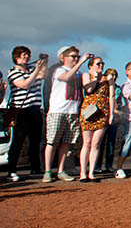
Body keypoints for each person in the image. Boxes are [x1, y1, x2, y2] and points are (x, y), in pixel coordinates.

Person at [43, 45, 89, 183]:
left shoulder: (79, 74)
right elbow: (66, 77)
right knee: (52, 141)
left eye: (77, 56)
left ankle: (61, 170)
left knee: (66, 143)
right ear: (65, 58)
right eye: (73, 57)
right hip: (58, 111)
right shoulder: (58, 70)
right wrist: (81, 62)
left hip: (73, 111)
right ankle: (47, 171)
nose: (76, 59)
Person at [6, 47, 47, 181]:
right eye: (23, 55)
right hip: (21, 110)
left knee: (35, 141)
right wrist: (36, 70)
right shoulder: (13, 72)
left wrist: (44, 63)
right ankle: (11, 170)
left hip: (35, 109)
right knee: (17, 142)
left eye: (28, 55)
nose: (26, 58)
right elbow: (24, 84)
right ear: (16, 57)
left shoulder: (31, 70)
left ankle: (35, 168)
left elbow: (43, 75)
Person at [77, 57, 114, 182]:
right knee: (86, 143)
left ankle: (91, 172)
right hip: (88, 112)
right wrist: (95, 77)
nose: (101, 65)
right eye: (98, 63)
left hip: (102, 112)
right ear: (91, 66)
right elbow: (89, 89)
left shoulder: (108, 78)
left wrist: (111, 113)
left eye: (102, 63)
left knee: (96, 143)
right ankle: (83, 172)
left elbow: (111, 96)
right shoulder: (86, 75)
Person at [102, 70, 125, 173]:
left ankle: (108, 165)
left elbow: (119, 102)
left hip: (115, 119)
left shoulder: (118, 89)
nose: (114, 77)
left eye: (115, 75)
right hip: (103, 117)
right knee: (100, 143)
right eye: (111, 75)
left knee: (111, 143)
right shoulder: (102, 87)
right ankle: (97, 166)